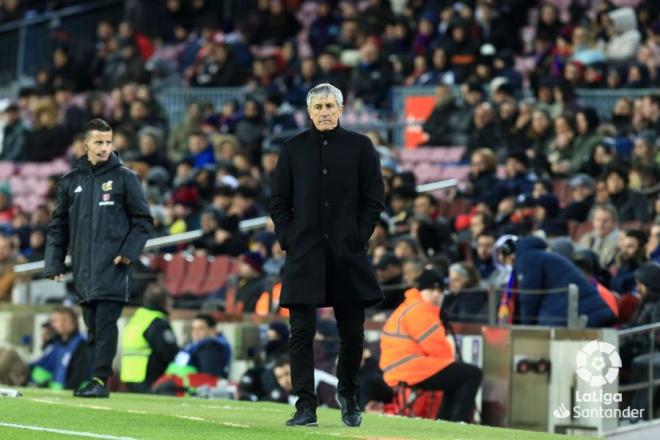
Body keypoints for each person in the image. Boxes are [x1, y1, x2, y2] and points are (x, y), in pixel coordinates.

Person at [269, 83, 385, 427]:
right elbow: (278, 202)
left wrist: (359, 236)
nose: (323, 111)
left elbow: (374, 198)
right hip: (304, 254)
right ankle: (305, 405)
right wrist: (288, 237)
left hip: (347, 254)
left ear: (340, 108)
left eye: (329, 106)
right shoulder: (292, 149)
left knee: (353, 333)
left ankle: (348, 393)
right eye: (317, 106)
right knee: (300, 333)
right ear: (308, 112)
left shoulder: (361, 146)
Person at [44, 118, 153, 398]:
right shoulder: (70, 181)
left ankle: (101, 380)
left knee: (104, 326)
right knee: (92, 328)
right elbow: (58, 226)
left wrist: (128, 253)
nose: (105, 148)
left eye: (108, 142)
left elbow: (143, 221)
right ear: (86, 144)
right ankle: (95, 378)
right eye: (99, 142)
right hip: (83, 269)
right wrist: (54, 262)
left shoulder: (125, 178)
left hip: (113, 266)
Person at [379, 268, 483, 422]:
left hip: (397, 368)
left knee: (456, 376)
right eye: (431, 289)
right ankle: (459, 421)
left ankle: (446, 420)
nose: (436, 294)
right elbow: (439, 350)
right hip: (410, 368)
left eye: (440, 290)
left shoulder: (408, 306)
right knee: (472, 374)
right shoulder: (421, 310)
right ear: (420, 290)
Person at [512, 236, 616, 327]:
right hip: (591, 313)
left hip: (579, 318)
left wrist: (527, 328)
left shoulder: (527, 258)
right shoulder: (545, 257)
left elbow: (529, 296)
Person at [120, 284, 179, 393]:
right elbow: (168, 351)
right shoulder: (157, 321)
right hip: (148, 377)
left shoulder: (136, 318)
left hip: (129, 376)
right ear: (163, 302)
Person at [30, 307, 90, 390]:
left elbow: (79, 375)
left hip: (76, 393)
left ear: (74, 322)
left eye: (65, 320)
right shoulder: (57, 344)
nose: (61, 324)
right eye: (56, 321)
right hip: (56, 391)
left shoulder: (82, 343)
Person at [166, 314, 232, 379]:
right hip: (177, 385)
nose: (195, 332)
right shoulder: (195, 346)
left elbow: (209, 378)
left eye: (200, 329)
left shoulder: (211, 347)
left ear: (212, 330)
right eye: (194, 329)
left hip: (190, 387)